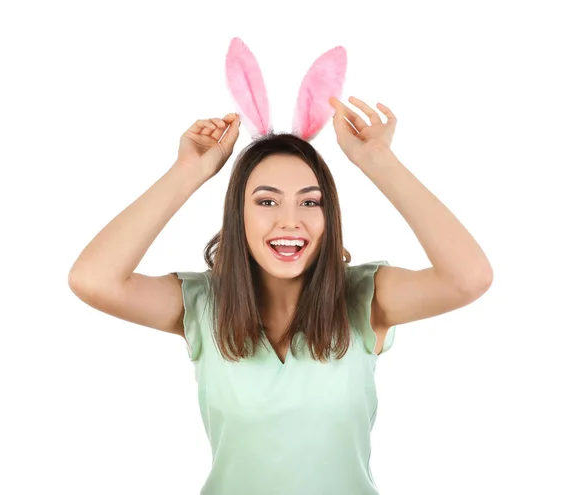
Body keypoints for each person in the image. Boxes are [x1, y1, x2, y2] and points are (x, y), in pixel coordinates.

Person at [68, 95, 493, 494]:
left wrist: (377, 160)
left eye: (310, 203)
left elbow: (468, 278)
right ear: (239, 214)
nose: (290, 221)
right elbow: (93, 279)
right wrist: (188, 172)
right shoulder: (202, 303)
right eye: (267, 202)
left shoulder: (367, 298)